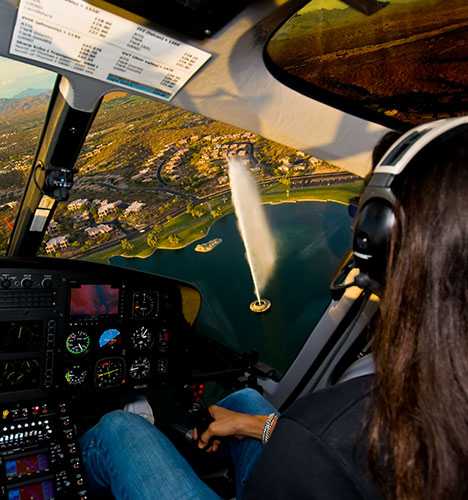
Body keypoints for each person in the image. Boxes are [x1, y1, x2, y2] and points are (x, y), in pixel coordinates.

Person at [79, 117, 468, 500]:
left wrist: (300, 439)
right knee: (243, 402)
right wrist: (256, 426)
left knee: (118, 428)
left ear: (377, 240)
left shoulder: (333, 427)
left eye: (358, 212)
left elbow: (320, 448)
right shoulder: (420, 393)